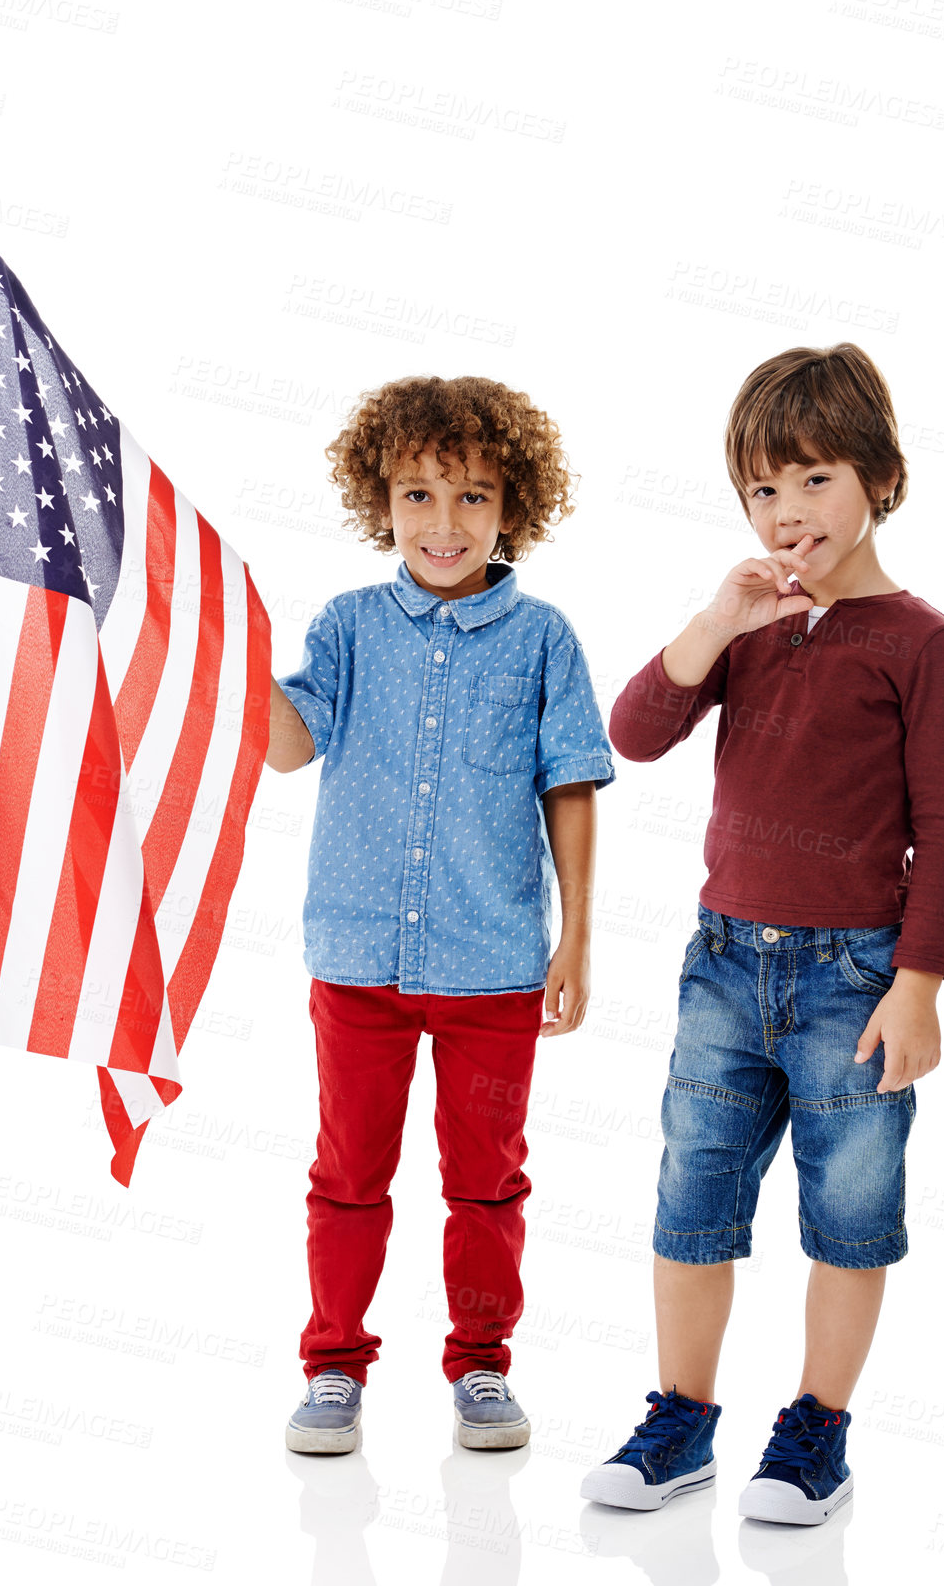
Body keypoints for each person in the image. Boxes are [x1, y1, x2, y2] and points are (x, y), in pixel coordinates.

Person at [581, 343, 944, 1524]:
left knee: (848, 1214)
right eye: (763, 488)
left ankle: (814, 1431)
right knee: (690, 1193)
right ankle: (681, 1418)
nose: (788, 510)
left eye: (812, 479)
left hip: (853, 977)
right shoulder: (748, 623)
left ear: (880, 479)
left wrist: (917, 984)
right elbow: (634, 733)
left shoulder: (921, 642)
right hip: (722, 963)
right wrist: (717, 616)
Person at [266, 374, 615, 1454]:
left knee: (487, 1181)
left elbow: (569, 786)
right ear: (382, 503)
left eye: (470, 496)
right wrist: (229, 657)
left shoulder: (544, 638)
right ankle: (333, 1366)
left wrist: (578, 937)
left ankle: (481, 1365)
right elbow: (285, 745)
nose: (443, 522)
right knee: (348, 1174)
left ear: (513, 507)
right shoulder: (349, 627)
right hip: (358, 959)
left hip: (494, 965)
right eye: (416, 496)